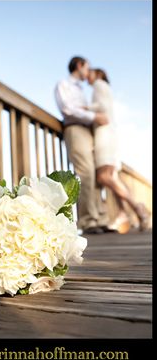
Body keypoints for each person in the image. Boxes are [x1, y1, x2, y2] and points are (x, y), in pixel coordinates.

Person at [87, 68, 150, 232]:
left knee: (103, 176)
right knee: (112, 176)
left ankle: (138, 208)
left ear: (99, 74)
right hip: (110, 134)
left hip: (104, 134)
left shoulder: (99, 84)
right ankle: (123, 213)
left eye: (91, 73)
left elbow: (101, 106)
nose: (88, 76)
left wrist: (84, 107)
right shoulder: (106, 88)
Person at [55, 56, 112, 234]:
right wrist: (94, 117)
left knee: (94, 173)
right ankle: (88, 221)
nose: (88, 72)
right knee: (86, 171)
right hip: (76, 128)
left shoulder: (80, 89)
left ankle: (100, 218)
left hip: (88, 131)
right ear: (79, 66)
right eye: (87, 68)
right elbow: (67, 109)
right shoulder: (64, 84)